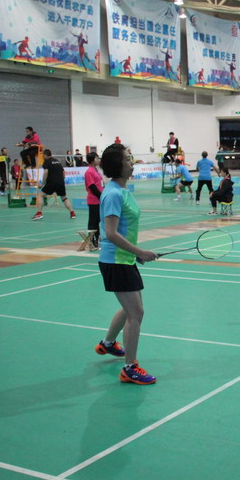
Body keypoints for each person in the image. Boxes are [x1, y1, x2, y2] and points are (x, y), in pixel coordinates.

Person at [95, 143, 159, 385]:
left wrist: (135, 255)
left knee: (130, 307)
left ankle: (108, 343)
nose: (132, 163)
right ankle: (130, 368)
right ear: (117, 165)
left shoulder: (122, 190)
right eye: (127, 159)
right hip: (115, 261)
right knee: (136, 312)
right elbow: (110, 233)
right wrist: (139, 251)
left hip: (124, 259)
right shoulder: (113, 194)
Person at [31, 149, 77, 220]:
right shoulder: (57, 161)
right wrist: (62, 181)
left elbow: (46, 172)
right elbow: (63, 172)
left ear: (45, 155)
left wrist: (42, 184)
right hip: (60, 182)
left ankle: (39, 213)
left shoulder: (47, 162)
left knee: (40, 195)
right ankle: (72, 213)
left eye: (43, 155)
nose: (42, 157)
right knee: (64, 198)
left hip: (52, 182)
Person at [84, 151, 104, 248]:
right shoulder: (89, 172)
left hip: (99, 200)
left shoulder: (96, 170)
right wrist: (100, 196)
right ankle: (92, 240)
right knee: (93, 221)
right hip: (93, 200)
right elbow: (92, 186)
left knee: (98, 220)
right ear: (92, 160)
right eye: (96, 158)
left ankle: (97, 237)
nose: (98, 159)